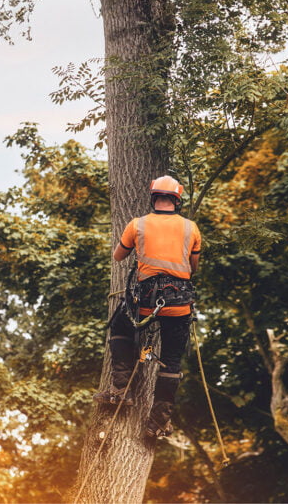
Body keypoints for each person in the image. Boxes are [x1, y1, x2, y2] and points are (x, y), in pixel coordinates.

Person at [95, 175, 202, 439]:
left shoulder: (137, 224)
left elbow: (118, 255)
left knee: (120, 325)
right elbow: (193, 267)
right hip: (179, 304)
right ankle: (158, 421)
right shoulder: (191, 228)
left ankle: (121, 389)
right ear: (177, 200)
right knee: (173, 358)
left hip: (146, 301)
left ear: (153, 198)